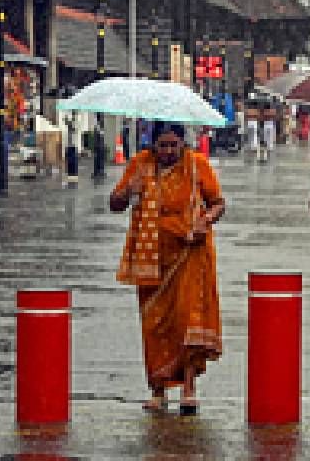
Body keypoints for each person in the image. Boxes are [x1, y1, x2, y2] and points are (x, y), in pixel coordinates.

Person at [110, 123, 226, 415]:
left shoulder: (197, 165)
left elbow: (219, 203)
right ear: (153, 144)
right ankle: (158, 390)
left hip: (190, 252)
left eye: (174, 145)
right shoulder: (139, 165)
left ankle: (189, 389)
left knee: (187, 320)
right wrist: (128, 192)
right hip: (151, 259)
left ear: (182, 144)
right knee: (155, 324)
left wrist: (206, 219)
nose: (168, 151)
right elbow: (114, 203)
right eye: (162, 145)